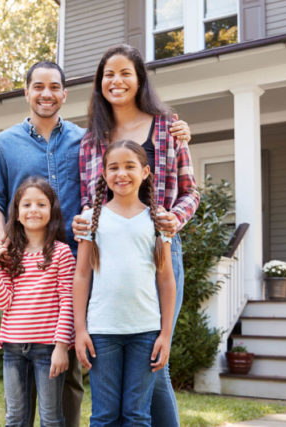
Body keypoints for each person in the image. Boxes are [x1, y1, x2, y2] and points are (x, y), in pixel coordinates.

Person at [0, 60, 190, 427]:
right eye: (38, 86)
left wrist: (179, 132)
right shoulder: (3, 143)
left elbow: (128, 161)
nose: (46, 94)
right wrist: (4, 246)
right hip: (30, 268)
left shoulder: (86, 138)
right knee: (28, 357)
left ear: (65, 93)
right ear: (25, 91)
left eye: (54, 87)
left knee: (74, 368)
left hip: (85, 259)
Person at [73, 44, 199, 427]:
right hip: (108, 256)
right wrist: (82, 223)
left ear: (140, 79)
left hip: (159, 249)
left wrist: (172, 220)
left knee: (155, 359)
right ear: (99, 83)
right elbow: (88, 201)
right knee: (146, 370)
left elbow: (190, 191)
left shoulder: (168, 126)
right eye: (108, 74)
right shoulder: (91, 140)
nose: (117, 81)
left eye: (125, 72)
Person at [73, 139, 176, 426]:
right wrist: (80, 330)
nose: (122, 174)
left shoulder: (158, 220)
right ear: (104, 175)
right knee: (104, 416)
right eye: (114, 167)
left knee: (137, 415)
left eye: (130, 166)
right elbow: (81, 276)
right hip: (102, 332)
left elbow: (166, 279)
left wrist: (165, 335)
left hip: (145, 332)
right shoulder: (91, 220)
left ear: (145, 172)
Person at [0, 176, 76, 427]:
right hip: (13, 348)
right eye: (26, 205)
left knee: (50, 417)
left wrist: (61, 346)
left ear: (52, 210)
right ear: (15, 213)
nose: (33, 210)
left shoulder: (61, 253)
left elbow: (67, 302)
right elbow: (3, 302)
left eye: (41, 204)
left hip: (48, 348)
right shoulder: (9, 254)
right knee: (15, 418)